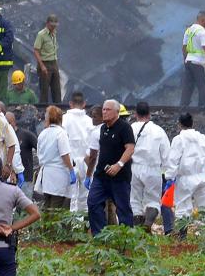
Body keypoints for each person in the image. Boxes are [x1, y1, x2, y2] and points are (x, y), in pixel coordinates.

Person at [85, 99, 135, 235]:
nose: (104, 112)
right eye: (103, 109)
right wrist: (90, 174)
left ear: (117, 112)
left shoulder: (124, 127)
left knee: (123, 208)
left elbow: (130, 148)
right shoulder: (102, 128)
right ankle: (99, 236)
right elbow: (94, 153)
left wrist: (119, 165)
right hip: (101, 176)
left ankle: (127, 239)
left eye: (108, 110)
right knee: (93, 203)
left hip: (119, 177)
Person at [164, 113, 205, 232]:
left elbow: (173, 160)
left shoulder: (179, 139)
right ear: (193, 124)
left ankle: (182, 239)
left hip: (185, 179)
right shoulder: (202, 137)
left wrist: (170, 178)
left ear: (179, 124)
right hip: (202, 177)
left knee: (183, 208)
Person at [129, 101, 170, 231]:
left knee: (134, 200)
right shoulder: (159, 131)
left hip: (133, 168)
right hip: (153, 169)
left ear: (136, 114)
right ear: (149, 114)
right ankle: (148, 224)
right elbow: (166, 155)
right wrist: (166, 173)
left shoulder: (131, 128)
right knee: (152, 200)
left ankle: (138, 229)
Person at [34, 106, 76, 210]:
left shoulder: (43, 133)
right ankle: (51, 227)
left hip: (46, 175)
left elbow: (39, 154)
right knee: (56, 209)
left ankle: (44, 227)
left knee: (47, 207)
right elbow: (65, 154)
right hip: (59, 175)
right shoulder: (61, 133)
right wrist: (71, 170)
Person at [61, 92, 92, 213]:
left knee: (71, 196)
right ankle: (84, 224)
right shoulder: (90, 121)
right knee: (85, 197)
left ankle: (73, 226)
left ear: (70, 104)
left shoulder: (64, 120)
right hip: (86, 162)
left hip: (70, 163)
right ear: (84, 104)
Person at [180, 11, 205, 107]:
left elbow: (184, 47)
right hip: (199, 63)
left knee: (187, 86)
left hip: (189, 61)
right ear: (203, 20)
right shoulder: (202, 31)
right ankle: (202, 108)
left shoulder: (189, 30)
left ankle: (183, 107)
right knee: (202, 87)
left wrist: (186, 60)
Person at [6, 112, 37, 199]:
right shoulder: (4, 136)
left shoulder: (26, 135)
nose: (8, 126)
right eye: (6, 123)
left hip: (26, 176)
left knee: (25, 204)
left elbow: (40, 148)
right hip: (9, 177)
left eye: (10, 123)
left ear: (14, 122)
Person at [33, 15, 61, 104]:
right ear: (47, 24)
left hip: (54, 62)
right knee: (44, 90)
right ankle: (43, 110)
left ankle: (58, 108)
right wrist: (42, 66)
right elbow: (36, 51)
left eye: (55, 25)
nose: (53, 27)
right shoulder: (41, 34)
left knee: (56, 89)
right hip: (45, 63)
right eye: (52, 25)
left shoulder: (54, 33)